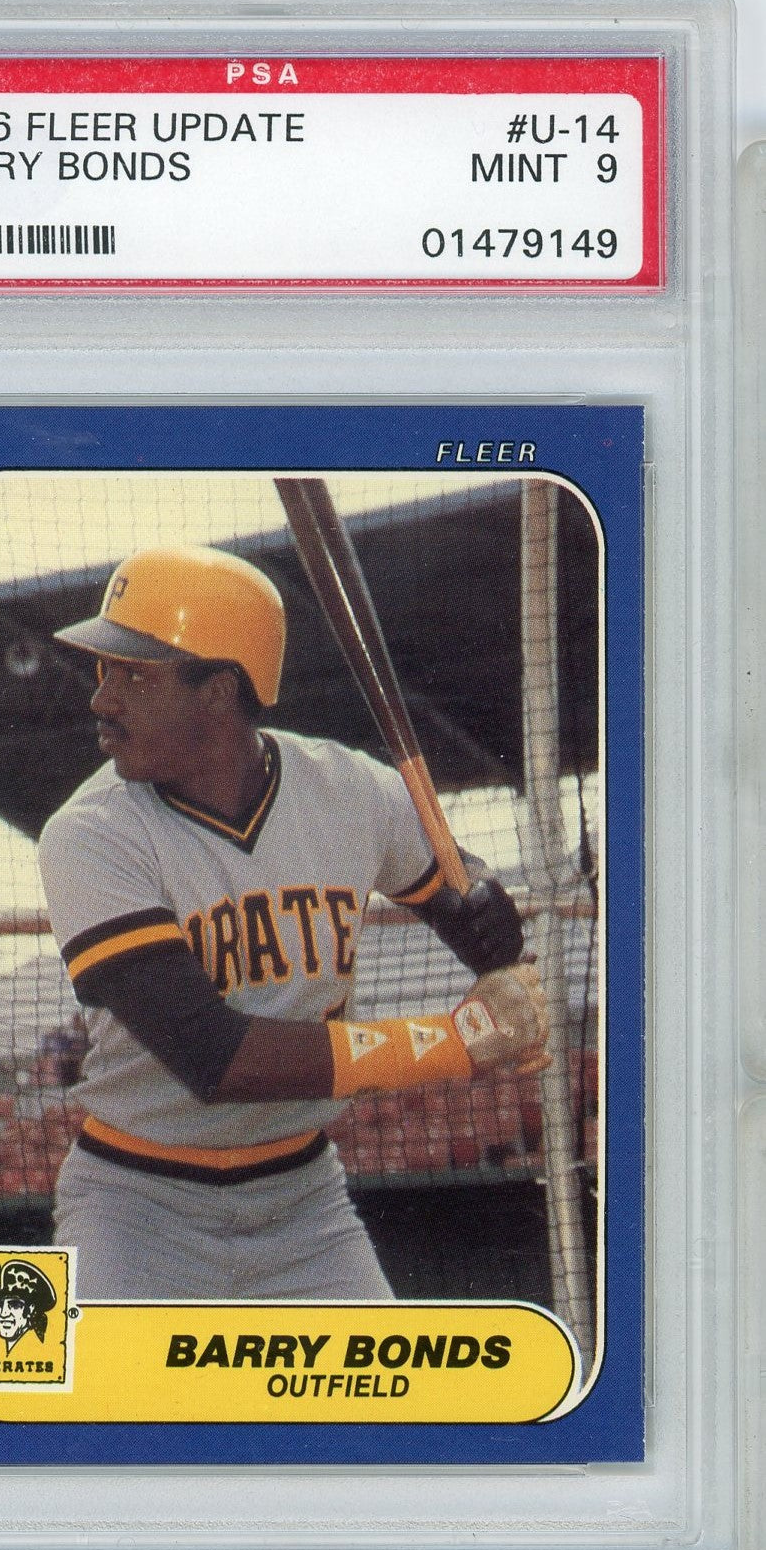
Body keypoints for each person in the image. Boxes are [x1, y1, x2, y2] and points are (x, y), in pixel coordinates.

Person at [38, 544, 548, 1301]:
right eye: (103, 671)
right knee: (98, 1387)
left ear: (219, 690)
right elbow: (216, 1058)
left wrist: (482, 909)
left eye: (133, 675)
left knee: (385, 1383)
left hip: (303, 1202)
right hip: (137, 1208)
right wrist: (459, 1040)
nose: (101, 700)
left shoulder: (352, 791)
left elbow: (461, 896)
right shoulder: (91, 834)